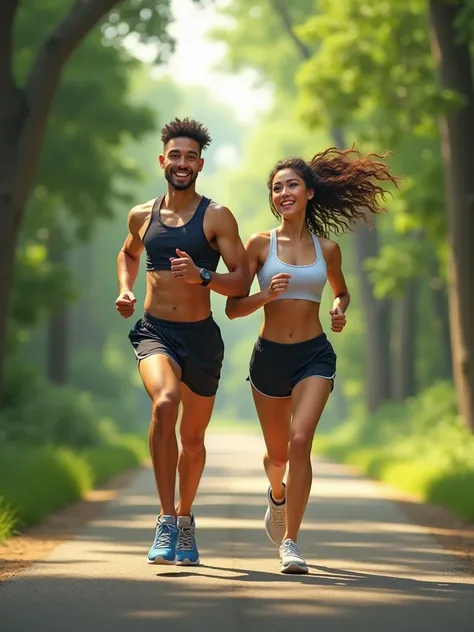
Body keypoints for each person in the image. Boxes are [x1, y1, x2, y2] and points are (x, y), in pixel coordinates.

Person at [226, 147, 400, 574]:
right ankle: (276, 494)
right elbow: (232, 308)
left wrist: (339, 309)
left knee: (300, 441)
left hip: (314, 355)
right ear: (272, 198)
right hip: (268, 358)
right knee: (277, 457)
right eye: (276, 187)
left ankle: (291, 543)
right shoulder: (259, 245)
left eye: (291, 185)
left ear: (308, 193)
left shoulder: (328, 248)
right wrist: (265, 295)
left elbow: (341, 292)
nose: (283, 192)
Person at [115, 118, 250, 566]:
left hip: (202, 338)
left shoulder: (217, 217)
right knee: (164, 402)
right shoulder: (142, 215)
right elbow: (128, 253)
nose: (182, 163)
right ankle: (165, 519)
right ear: (162, 160)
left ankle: (187, 521)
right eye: (175, 155)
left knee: (192, 440)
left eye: (190, 156)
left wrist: (203, 275)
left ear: (200, 164)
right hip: (155, 332)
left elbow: (242, 281)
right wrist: (126, 288)